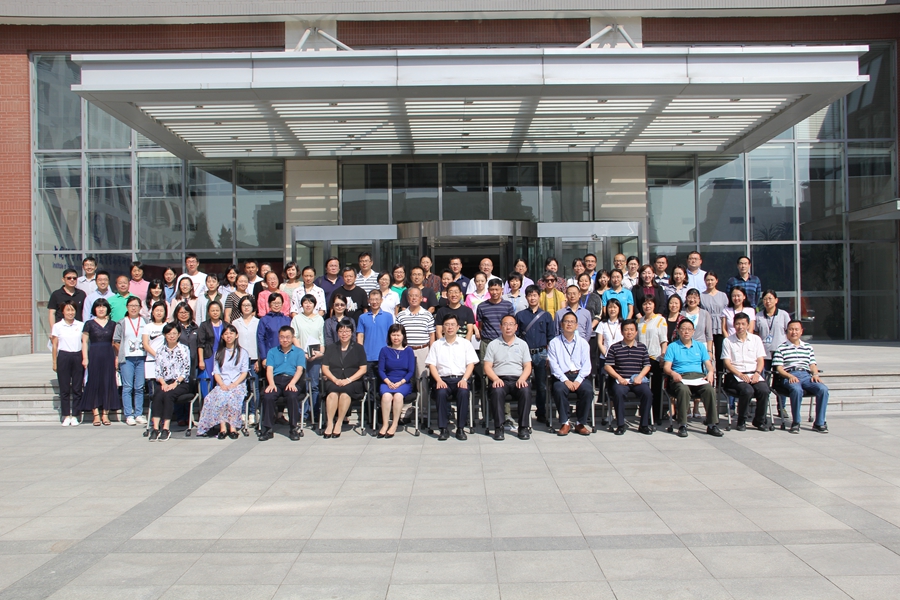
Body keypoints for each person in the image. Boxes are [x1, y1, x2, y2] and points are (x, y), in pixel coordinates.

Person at [663, 319, 723, 438]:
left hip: (697, 377)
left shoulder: (700, 346)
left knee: (709, 389)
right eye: (683, 329)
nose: (686, 332)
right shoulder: (672, 346)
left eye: (689, 329)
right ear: (678, 331)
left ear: (693, 331)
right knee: (683, 390)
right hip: (680, 377)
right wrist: (673, 373)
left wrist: (711, 372)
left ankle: (712, 424)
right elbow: (666, 367)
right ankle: (682, 424)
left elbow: (708, 364)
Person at [426, 313, 479, 441]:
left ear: (458, 327)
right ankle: (443, 428)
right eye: (447, 325)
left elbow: (471, 364)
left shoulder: (465, 344)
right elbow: (432, 365)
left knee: (463, 392)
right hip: (442, 379)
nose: (450, 327)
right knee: (440, 393)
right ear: (443, 327)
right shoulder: (437, 345)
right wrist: (438, 380)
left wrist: (465, 379)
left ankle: (460, 428)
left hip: (461, 378)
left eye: (453, 325)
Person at [772, 320, 830, 434]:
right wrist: (789, 376)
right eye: (791, 329)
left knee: (823, 389)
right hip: (790, 375)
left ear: (801, 331)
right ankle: (796, 422)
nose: (794, 332)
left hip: (806, 375)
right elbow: (779, 368)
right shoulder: (781, 348)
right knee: (796, 390)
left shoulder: (807, 347)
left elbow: (812, 364)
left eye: (796, 329)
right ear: (787, 331)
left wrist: (815, 374)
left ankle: (819, 423)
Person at [483, 315, 532, 441]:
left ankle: (523, 427)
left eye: (511, 324)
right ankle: (499, 427)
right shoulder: (493, 344)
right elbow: (487, 366)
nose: (508, 327)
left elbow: (528, 366)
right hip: (500, 379)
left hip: (518, 379)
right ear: (500, 327)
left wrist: (522, 378)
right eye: (505, 324)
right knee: (497, 391)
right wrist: (495, 379)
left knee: (526, 391)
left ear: (516, 327)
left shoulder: (522, 344)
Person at [196, 324, 249, 439]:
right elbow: (217, 372)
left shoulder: (243, 352)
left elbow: (244, 372)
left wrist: (235, 384)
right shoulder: (219, 353)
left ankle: (233, 428)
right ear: (222, 337)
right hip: (223, 384)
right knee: (216, 397)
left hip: (238, 384)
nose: (228, 336)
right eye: (226, 334)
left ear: (236, 335)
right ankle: (222, 428)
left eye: (231, 333)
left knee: (231, 398)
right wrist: (221, 384)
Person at [721, 313, 770, 431]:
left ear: (748, 325)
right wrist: (740, 375)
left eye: (743, 324)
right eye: (738, 324)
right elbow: (727, 363)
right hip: (736, 375)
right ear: (734, 325)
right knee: (747, 390)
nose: (740, 327)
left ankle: (759, 421)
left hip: (754, 373)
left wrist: (757, 373)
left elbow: (760, 360)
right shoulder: (728, 341)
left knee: (764, 390)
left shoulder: (756, 339)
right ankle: (741, 420)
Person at [604, 319, 653, 435]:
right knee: (618, 393)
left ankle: (644, 425)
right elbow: (607, 366)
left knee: (647, 393)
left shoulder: (642, 347)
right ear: (622, 332)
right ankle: (620, 425)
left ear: (636, 332)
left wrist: (640, 377)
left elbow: (647, 365)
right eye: (626, 330)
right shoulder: (615, 347)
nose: (629, 332)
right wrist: (619, 378)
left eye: (632, 330)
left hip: (637, 380)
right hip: (621, 381)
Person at [548, 311, 593, 436]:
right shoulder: (554, 343)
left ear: (576, 325)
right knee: (558, 389)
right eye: (566, 321)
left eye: (572, 322)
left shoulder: (583, 343)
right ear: (561, 324)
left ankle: (580, 423)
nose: (569, 324)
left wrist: (578, 380)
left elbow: (587, 365)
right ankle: (565, 422)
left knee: (588, 390)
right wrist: (565, 380)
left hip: (579, 376)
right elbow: (554, 366)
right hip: (562, 377)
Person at [321, 318, 367, 438]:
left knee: (345, 394)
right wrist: (334, 379)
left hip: (353, 381)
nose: (344, 334)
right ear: (337, 333)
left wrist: (348, 380)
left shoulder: (359, 348)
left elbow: (363, 369)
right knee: (332, 394)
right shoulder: (331, 348)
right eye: (341, 331)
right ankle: (330, 423)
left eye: (347, 331)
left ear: (352, 332)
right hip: (334, 380)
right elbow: (325, 367)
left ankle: (339, 422)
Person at [516, 285, 554, 424]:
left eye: (534, 295)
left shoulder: (546, 315)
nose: (532, 298)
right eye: (529, 295)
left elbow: (551, 337)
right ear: (526, 297)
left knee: (541, 385)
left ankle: (541, 412)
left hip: (541, 353)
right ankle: (524, 413)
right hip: (525, 354)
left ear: (539, 296)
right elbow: (516, 336)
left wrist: (550, 356)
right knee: (524, 384)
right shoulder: (520, 315)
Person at [260, 326, 306, 441]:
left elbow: (300, 370)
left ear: (292, 337)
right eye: (282, 337)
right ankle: (268, 429)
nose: (285, 340)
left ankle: (293, 428)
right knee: (268, 396)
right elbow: (269, 369)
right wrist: (271, 384)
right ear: (278, 337)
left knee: (292, 396)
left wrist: (293, 383)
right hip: (276, 380)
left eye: (288, 337)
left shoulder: (299, 352)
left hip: (292, 379)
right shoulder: (272, 351)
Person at [148, 323, 192, 442]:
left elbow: (186, 370)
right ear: (164, 335)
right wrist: (163, 383)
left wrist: (175, 383)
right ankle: (156, 428)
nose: (171, 336)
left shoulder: (184, 349)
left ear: (178, 334)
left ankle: (166, 428)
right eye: (169, 334)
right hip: (165, 381)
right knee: (158, 395)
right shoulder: (160, 350)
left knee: (168, 395)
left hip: (181, 382)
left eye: (174, 333)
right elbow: (158, 371)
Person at [80, 298, 120, 427]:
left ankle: (105, 414)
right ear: (94, 309)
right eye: (98, 307)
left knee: (107, 383)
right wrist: (85, 358)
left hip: (108, 355)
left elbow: (115, 343)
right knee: (94, 383)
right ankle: (96, 414)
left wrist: (117, 357)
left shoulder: (113, 324)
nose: (101, 309)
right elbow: (84, 342)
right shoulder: (89, 324)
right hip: (94, 355)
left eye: (103, 306)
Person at [755, 289, 792, 417]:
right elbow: (756, 333)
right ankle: (763, 408)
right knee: (763, 382)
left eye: (770, 298)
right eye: (765, 299)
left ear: (776, 300)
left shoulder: (783, 315)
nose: (767, 301)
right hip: (764, 354)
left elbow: (789, 332)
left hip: (779, 353)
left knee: (780, 381)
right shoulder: (758, 316)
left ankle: (782, 407)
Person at [377, 323, 416, 438]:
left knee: (398, 396)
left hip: (403, 382)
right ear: (389, 336)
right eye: (393, 335)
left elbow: (411, 371)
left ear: (403, 336)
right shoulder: (384, 350)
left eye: (398, 335)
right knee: (386, 396)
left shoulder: (408, 351)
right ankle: (385, 424)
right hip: (387, 381)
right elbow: (381, 370)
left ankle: (394, 424)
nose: (396, 338)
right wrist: (388, 382)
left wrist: (400, 382)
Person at [113, 296, 147, 426]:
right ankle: (128, 414)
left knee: (139, 387)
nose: (134, 308)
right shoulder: (122, 322)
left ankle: (138, 413)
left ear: (140, 307)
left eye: (136, 306)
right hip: (127, 358)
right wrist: (122, 349)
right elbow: (116, 341)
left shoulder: (145, 321)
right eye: (131, 306)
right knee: (127, 387)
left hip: (142, 357)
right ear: (127, 307)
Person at [292, 294, 325, 424]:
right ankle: (303, 413)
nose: (308, 305)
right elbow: (294, 336)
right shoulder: (297, 319)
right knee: (302, 384)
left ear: (314, 305)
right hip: (301, 356)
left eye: (310, 302)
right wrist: (302, 352)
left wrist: (320, 353)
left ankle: (314, 412)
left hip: (316, 357)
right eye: (305, 302)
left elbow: (322, 339)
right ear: (302, 305)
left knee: (314, 385)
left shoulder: (319, 319)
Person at [682, 288, 714, 418]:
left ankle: (696, 407)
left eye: (695, 297)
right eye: (690, 297)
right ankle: (687, 408)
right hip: (685, 346)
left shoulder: (705, 314)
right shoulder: (682, 313)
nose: (692, 300)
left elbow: (709, 335)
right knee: (688, 375)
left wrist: (710, 350)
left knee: (700, 376)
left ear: (699, 300)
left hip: (701, 347)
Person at [51, 301, 84, 426]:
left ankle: (75, 415)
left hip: (77, 356)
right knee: (64, 388)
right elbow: (55, 345)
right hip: (63, 356)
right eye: (68, 310)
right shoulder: (57, 326)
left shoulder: (81, 325)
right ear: (63, 312)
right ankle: (65, 415)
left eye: (72, 310)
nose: (70, 313)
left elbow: (84, 342)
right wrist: (54, 362)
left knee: (77, 388)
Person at [637, 296, 668, 425]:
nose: (647, 306)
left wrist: (663, 356)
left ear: (654, 305)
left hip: (655, 358)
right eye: (645, 304)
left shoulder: (660, 320)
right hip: (641, 359)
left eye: (650, 303)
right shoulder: (639, 321)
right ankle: (645, 414)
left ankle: (656, 415)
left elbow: (664, 340)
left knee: (656, 388)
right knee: (644, 389)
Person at [357, 289, 395, 394]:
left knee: (383, 384)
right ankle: (370, 404)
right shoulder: (362, 317)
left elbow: (391, 336)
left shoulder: (388, 316)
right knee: (369, 386)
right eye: (372, 299)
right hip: (367, 356)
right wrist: (360, 353)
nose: (374, 302)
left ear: (381, 300)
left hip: (383, 356)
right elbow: (360, 336)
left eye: (377, 299)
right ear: (368, 300)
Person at [396, 287, 436, 378]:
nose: (414, 298)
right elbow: (397, 334)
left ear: (421, 298)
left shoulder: (428, 315)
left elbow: (431, 335)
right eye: (411, 296)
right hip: (405, 350)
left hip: (422, 350)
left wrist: (431, 352)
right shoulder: (401, 315)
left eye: (416, 296)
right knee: (404, 377)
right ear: (408, 298)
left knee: (423, 379)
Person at [233, 296, 260, 425]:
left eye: (248, 305)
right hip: (240, 360)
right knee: (242, 387)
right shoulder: (235, 323)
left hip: (254, 359)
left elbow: (260, 342)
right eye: (244, 305)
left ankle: (253, 412)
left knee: (254, 387)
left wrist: (259, 359)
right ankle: (243, 411)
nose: (246, 308)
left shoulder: (258, 322)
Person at [701, 271, 728, 386]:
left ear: (716, 281)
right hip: (707, 327)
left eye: (712, 279)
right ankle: (708, 378)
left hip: (720, 327)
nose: (710, 282)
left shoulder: (723, 295)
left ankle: (720, 382)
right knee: (708, 354)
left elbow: (726, 312)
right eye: (707, 280)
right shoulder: (701, 296)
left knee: (720, 354)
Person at [475, 278, 514, 356]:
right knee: (485, 363)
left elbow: (512, 324)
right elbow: (480, 326)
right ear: (488, 290)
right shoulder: (482, 306)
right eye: (492, 290)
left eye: (497, 289)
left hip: (504, 342)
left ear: (502, 290)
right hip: (487, 342)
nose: (494, 292)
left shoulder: (508, 305)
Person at [257, 294, 292, 372]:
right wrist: (264, 357)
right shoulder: (264, 320)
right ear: (269, 304)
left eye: (279, 303)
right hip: (271, 356)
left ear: (282, 304)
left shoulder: (287, 320)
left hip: (287, 355)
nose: (276, 305)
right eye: (274, 303)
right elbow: (260, 339)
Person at [141, 301, 168, 400]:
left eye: (161, 310)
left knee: (165, 390)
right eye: (157, 310)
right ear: (152, 312)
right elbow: (145, 344)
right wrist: (157, 355)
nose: (159, 313)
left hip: (165, 362)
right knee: (153, 391)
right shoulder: (147, 327)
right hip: (151, 361)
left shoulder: (167, 326)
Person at [596, 298, 624, 376]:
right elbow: (599, 342)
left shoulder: (623, 323)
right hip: (605, 358)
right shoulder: (602, 324)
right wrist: (607, 356)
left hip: (620, 358)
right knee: (604, 380)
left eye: (615, 307)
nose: (612, 309)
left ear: (619, 309)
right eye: (610, 307)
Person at [198, 300, 225, 377]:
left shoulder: (225, 325)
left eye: (217, 310)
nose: (215, 313)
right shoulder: (204, 325)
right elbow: (200, 344)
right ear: (208, 312)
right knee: (210, 378)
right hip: (209, 355)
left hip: (223, 355)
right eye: (213, 311)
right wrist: (201, 360)